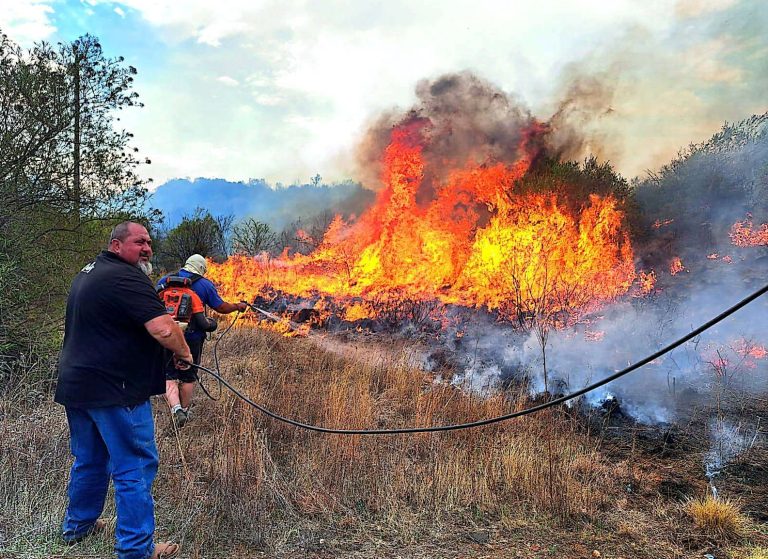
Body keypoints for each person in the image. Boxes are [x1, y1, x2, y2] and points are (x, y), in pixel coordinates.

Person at [55, 221, 192, 559]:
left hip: (78, 384)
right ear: (117, 245)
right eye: (138, 242)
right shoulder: (128, 277)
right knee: (135, 465)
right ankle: (136, 550)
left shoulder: (90, 272)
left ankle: (78, 527)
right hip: (115, 389)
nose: (146, 248)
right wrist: (184, 352)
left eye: (149, 242)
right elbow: (162, 328)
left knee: (90, 459)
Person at [158, 254, 248, 427]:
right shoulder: (204, 285)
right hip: (192, 338)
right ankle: (183, 412)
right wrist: (237, 306)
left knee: (168, 374)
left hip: (167, 336)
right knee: (188, 376)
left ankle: (175, 408)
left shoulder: (165, 280)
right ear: (201, 269)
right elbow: (220, 307)